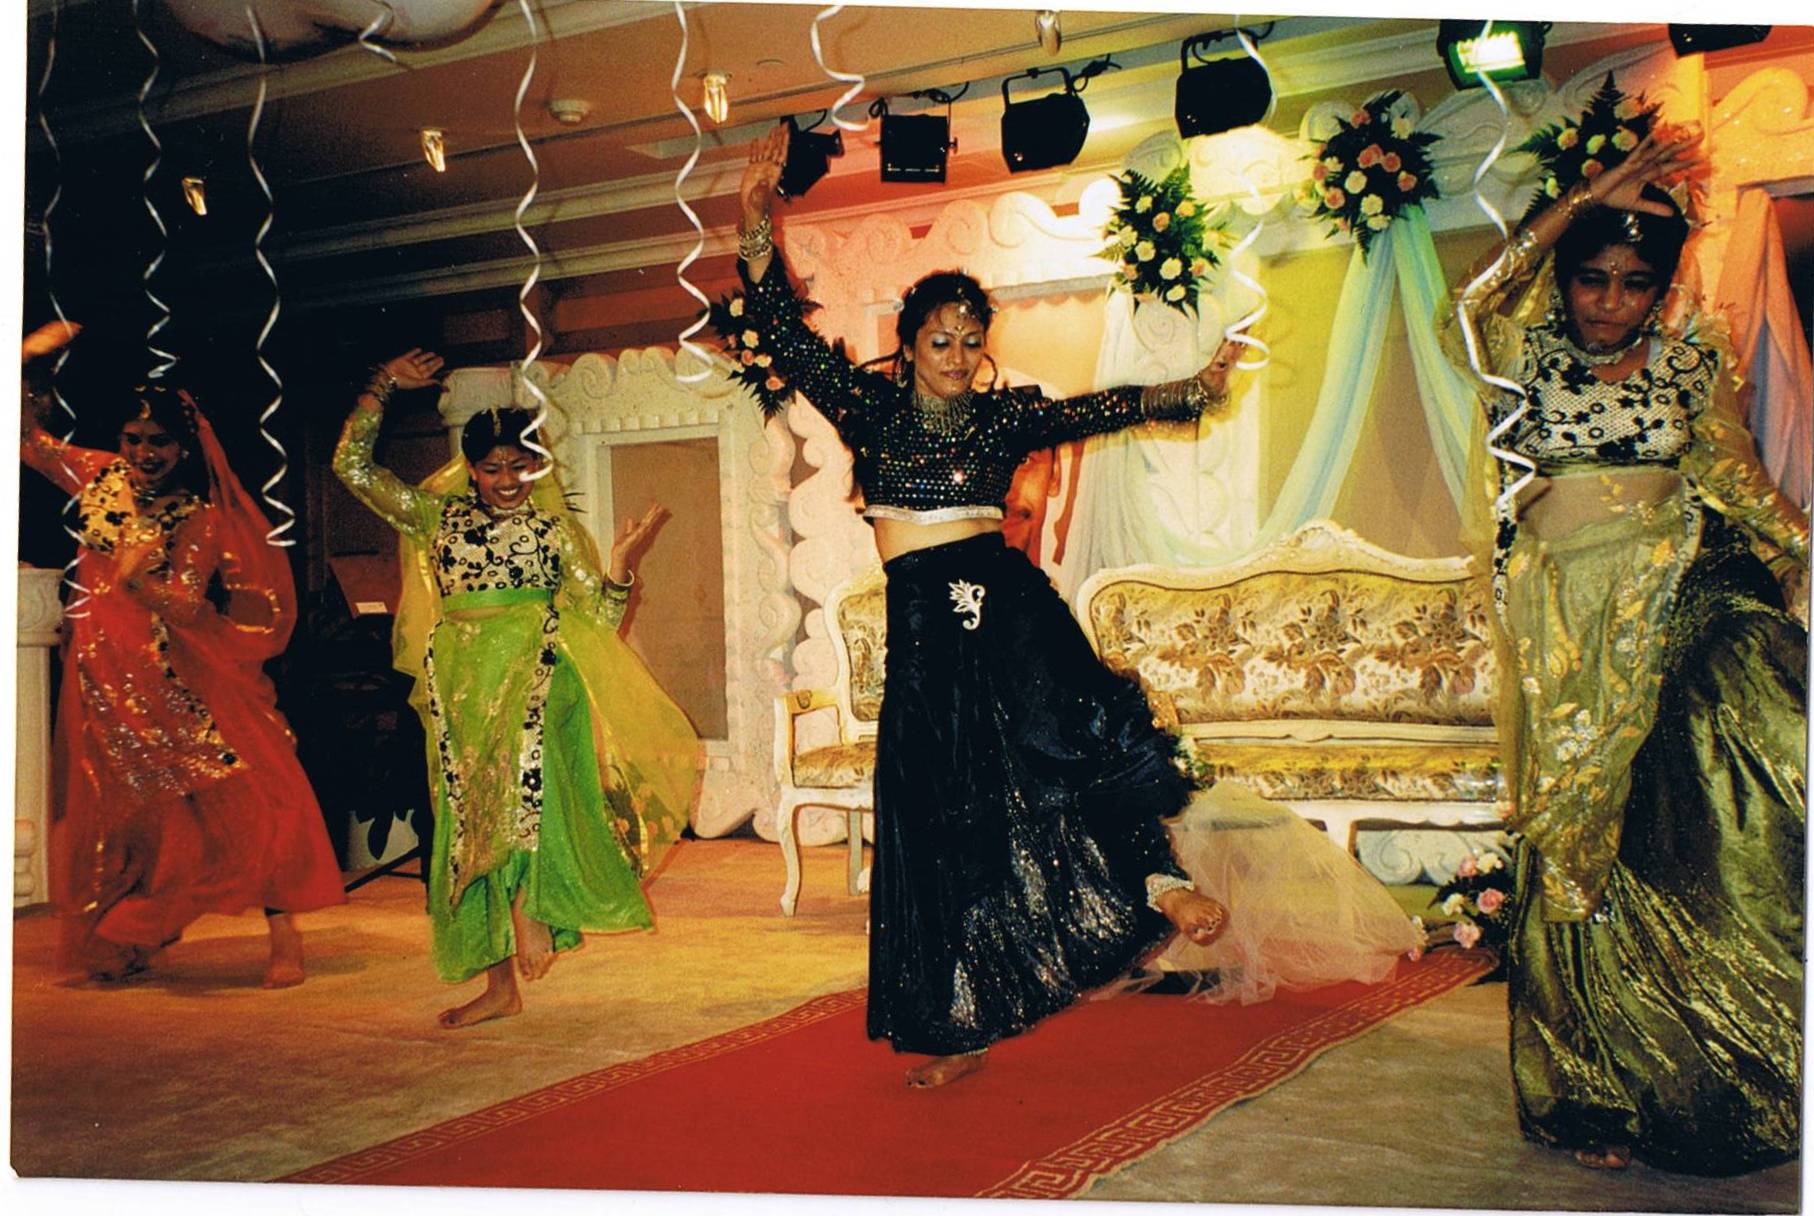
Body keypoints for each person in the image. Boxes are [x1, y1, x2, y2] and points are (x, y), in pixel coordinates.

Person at [733, 123, 1241, 1089]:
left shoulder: (1005, 416)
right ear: (908, 342)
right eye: (942, 340)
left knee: (1073, 741)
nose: (959, 356)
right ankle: (960, 1021)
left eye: (972, 341)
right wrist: (757, 221)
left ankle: (1160, 882)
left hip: (1008, 607)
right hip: (926, 628)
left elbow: (1099, 408)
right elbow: (785, 335)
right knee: (938, 818)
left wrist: (1195, 388)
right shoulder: (869, 408)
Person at [1447, 127, 1808, 1174]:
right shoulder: (1523, 354)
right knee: (1574, 852)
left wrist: (1801, 544)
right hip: (1565, 619)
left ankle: (1708, 1048)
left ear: (1659, 289)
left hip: (1676, 585)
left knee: (1755, 712)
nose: (1609, 301)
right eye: (1591, 278)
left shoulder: (1691, 365)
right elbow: (1471, 297)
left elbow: (1736, 483)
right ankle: (1584, 1091)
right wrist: (1592, 189)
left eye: (1633, 283)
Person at [333, 351, 698, 1029]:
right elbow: (353, 469)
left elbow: (599, 620)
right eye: (493, 468)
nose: (508, 481)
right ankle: (499, 985)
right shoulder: (435, 518)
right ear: (470, 469)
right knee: (469, 831)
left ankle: (534, 905)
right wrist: (381, 386)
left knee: (533, 795)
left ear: (536, 466)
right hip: (464, 690)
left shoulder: (554, 532)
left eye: (520, 467)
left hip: (539, 675)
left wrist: (620, 569)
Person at [19, 322, 345, 986]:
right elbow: (26, 439)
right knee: (130, 814)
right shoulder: (99, 477)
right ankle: (142, 933)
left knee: (246, 800)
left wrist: (142, 583)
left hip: (177, 679)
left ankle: (285, 940)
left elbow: (191, 607)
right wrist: (25, 361)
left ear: (185, 445)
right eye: (134, 438)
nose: (144, 452)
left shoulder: (196, 516)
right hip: (103, 680)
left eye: (159, 441)